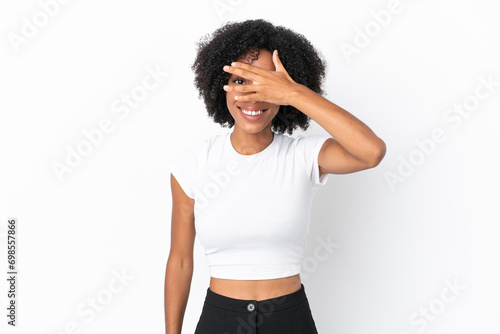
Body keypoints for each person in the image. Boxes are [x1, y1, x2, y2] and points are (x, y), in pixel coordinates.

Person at [165, 19, 386, 334]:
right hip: (221, 320)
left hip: (289, 318)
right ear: (220, 86)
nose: (254, 97)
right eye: (241, 81)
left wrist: (295, 93)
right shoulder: (193, 165)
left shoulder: (303, 156)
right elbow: (180, 261)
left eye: (267, 84)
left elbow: (372, 152)